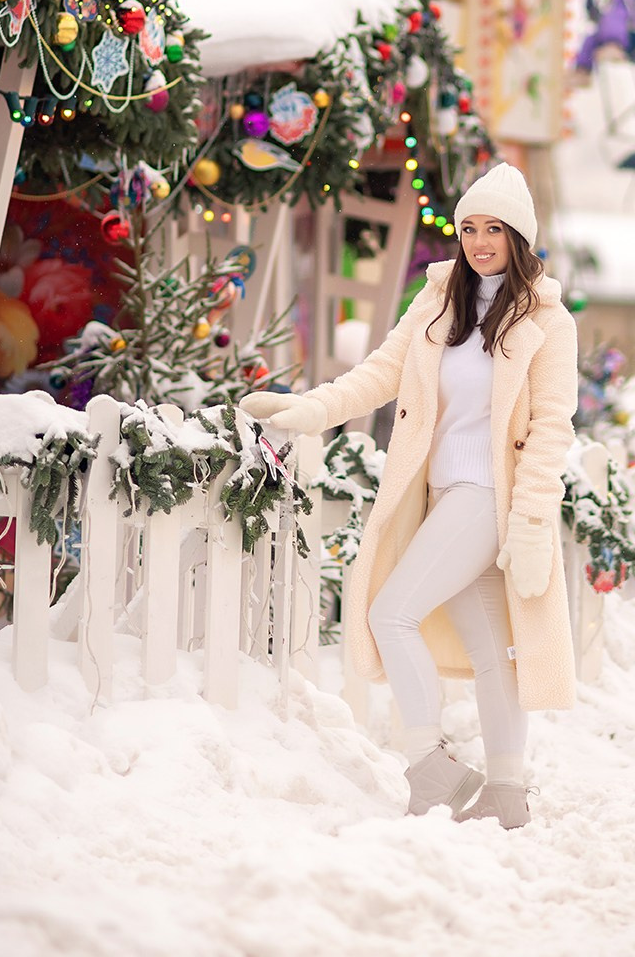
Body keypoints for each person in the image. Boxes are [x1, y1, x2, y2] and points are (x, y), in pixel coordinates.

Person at [240, 162, 579, 830]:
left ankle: (430, 767)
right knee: (489, 651)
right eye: (469, 227)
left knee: (391, 613)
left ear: (519, 238)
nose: (480, 241)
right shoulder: (436, 304)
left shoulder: (548, 321)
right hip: (443, 494)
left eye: (494, 229)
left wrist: (533, 520)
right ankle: (507, 791)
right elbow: (378, 375)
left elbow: (551, 428)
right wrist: (309, 410)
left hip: (488, 497)